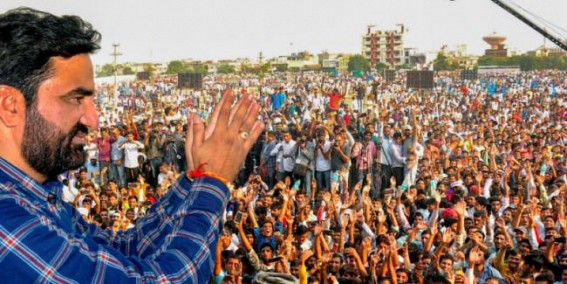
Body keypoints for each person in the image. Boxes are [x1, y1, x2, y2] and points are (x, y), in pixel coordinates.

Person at [0, 7, 262, 282]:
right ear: (10, 106)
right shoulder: (7, 221)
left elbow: (128, 247)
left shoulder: (36, 199)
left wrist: (193, 181)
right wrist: (212, 182)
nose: (93, 119)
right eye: (75, 98)